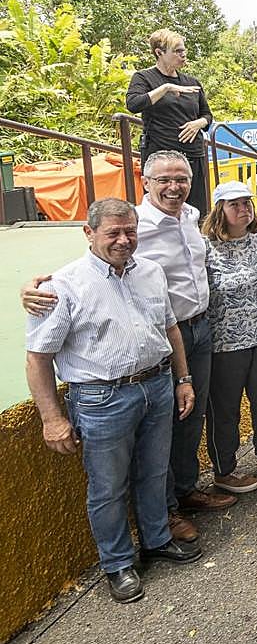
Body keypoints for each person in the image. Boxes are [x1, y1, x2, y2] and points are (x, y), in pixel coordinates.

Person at [26, 198, 200, 603]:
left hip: (156, 385)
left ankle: (156, 541)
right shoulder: (62, 286)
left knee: (155, 472)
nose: (124, 240)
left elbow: (170, 328)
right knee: (108, 487)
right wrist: (52, 418)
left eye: (130, 232)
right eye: (113, 233)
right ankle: (118, 564)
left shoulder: (151, 271)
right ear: (89, 234)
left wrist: (183, 379)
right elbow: (38, 359)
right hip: (101, 399)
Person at [201, 180, 257, 492]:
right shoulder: (206, 249)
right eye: (234, 204)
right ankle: (225, 469)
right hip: (225, 343)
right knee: (225, 408)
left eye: (246, 203)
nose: (243, 209)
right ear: (220, 210)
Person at [125, 29, 213, 213]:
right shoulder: (144, 78)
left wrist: (199, 123)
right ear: (160, 52)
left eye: (184, 51)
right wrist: (165, 88)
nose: (183, 55)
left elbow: (207, 115)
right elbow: (133, 104)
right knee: (162, 206)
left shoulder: (191, 81)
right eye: (178, 51)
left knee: (197, 209)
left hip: (193, 154)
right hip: (161, 155)